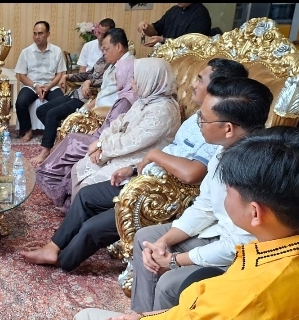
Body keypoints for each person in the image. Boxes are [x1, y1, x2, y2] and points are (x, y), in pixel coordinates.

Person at [13, 125, 299, 320]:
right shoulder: (286, 256)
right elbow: (200, 316)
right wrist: (142, 318)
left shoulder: (246, 297)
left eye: (228, 191)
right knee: (84, 319)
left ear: (255, 213)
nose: (222, 197)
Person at [21, 58, 248, 272]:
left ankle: (64, 260)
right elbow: (164, 147)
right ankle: (52, 247)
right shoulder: (196, 117)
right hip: (146, 177)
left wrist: (154, 156)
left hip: (160, 194)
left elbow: (191, 173)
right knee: (86, 196)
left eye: (199, 79)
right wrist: (133, 168)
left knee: (93, 226)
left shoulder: (216, 128)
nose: (192, 84)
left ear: (219, 88)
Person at [130, 77, 273, 312]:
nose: (199, 124)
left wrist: (174, 261)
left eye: (203, 119)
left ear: (228, 128)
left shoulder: (254, 171)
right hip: (218, 233)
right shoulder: (222, 151)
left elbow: (237, 246)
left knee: (169, 283)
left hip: (243, 256)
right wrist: (164, 241)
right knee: (148, 238)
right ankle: (141, 318)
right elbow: (204, 206)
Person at [39, 57, 181, 212]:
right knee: (82, 166)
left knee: (89, 181)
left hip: (139, 158)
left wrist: (102, 146)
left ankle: (81, 216)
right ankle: (74, 212)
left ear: (150, 80)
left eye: (136, 77)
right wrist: (101, 143)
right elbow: (118, 123)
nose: (132, 81)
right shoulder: (144, 100)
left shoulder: (163, 110)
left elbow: (133, 140)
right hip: (122, 151)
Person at [31, 27, 132, 166]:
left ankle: (51, 152)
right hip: (88, 100)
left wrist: (88, 89)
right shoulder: (111, 64)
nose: (103, 52)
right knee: (45, 111)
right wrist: (86, 106)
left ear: (118, 47)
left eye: (106, 49)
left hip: (101, 110)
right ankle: (54, 144)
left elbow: (123, 102)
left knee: (58, 118)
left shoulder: (127, 67)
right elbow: (103, 90)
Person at [13, 21, 67, 142]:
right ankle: (27, 131)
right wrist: (35, 86)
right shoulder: (26, 52)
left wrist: (49, 86)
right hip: (31, 85)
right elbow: (21, 76)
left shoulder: (57, 51)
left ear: (48, 34)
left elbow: (59, 74)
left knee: (62, 102)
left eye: (40, 33)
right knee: (20, 102)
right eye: (35, 33)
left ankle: (56, 130)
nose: (37, 36)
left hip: (51, 85)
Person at [138, 3, 212, 47]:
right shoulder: (174, 10)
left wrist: (163, 40)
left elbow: (191, 43)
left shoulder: (201, 13)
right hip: (165, 56)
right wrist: (146, 27)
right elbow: (156, 30)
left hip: (185, 60)